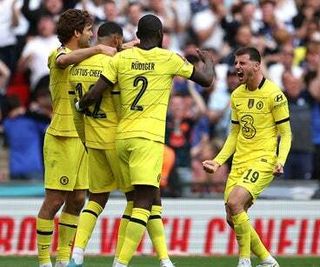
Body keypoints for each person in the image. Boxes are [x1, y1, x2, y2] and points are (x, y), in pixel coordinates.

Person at [75, 14, 214, 267]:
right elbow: (206, 81)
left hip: (122, 138)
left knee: (153, 198)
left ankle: (164, 260)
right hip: (148, 139)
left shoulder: (122, 58)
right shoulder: (169, 58)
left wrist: (80, 105)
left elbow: (96, 91)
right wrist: (209, 62)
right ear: (160, 36)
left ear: (137, 36)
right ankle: (121, 263)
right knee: (143, 202)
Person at [67, 21, 175, 267]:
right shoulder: (115, 63)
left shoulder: (78, 66)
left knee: (95, 199)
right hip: (119, 138)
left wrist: (85, 140)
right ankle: (124, 259)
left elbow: (78, 112)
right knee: (140, 200)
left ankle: (77, 254)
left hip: (92, 140)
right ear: (116, 40)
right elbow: (121, 105)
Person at [36, 9, 116, 267]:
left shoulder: (83, 57)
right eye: (89, 30)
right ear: (76, 33)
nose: (92, 35)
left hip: (83, 136)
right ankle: (43, 261)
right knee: (55, 200)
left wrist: (124, 46)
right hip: (61, 136)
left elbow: (102, 51)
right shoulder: (58, 54)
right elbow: (63, 61)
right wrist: (97, 50)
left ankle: (62, 259)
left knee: (78, 199)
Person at [202, 47, 291, 267]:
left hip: (263, 160)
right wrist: (218, 160)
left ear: (256, 66)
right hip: (240, 162)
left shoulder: (274, 94)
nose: (237, 68)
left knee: (234, 202)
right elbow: (234, 134)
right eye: (236, 63)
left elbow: (286, 134)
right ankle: (268, 260)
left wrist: (280, 160)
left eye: (242, 63)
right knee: (232, 218)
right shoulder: (237, 95)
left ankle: (244, 261)